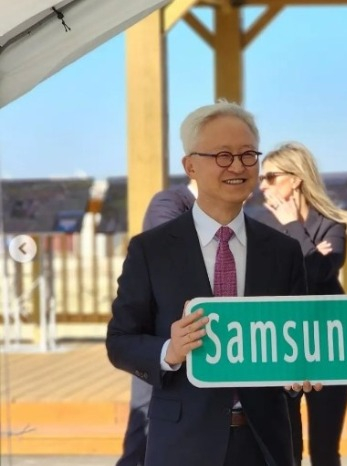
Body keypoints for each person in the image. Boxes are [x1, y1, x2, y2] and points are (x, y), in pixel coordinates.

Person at [106, 101, 317, 466]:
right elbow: (120, 341)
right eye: (222, 156)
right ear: (190, 165)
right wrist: (169, 351)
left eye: (248, 155)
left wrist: (301, 371)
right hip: (182, 443)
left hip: (266, 443)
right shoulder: (151, 250)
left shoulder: (283, 252)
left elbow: (296, 340)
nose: (237, 166)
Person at [258, 142, 347, 466]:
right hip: (281, 344)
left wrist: (292, 227)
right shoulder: (257, 224)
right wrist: (311, 250)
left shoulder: (331, 222)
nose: (262, 185)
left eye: (270, 177)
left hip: (331, 344)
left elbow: (319, 273)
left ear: (295, 178)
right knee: (288, 452)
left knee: (325, 452)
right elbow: (269, 283)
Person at [116, 179, 197, 466]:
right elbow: (178, 258)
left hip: (194, 350)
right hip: (159, 343)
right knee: (143, 436)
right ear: (193, 167)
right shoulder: (168, 202)